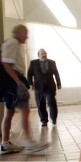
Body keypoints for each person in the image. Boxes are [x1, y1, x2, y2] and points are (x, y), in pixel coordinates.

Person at [0, 24, 48, 154]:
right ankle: (29, 143)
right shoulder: (13, 42)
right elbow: (5, 63)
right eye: (25, 33)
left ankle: (5, 144)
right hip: (13, 81)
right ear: (20, 33)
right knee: (25, 110)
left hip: (12, 81)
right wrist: (18, 82)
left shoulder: (13, 43)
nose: (27, 36)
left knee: (9, 113)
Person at [27, 48, 61, 127]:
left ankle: (53, 119)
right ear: (38, 55)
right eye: (42, 53)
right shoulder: (33, 63)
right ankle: (44, 120)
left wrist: (58, 83)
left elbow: (56, 73)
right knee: (40, 104)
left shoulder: (52, 62)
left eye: (45, 53)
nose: (44, 55)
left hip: (50, 86)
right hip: (38, 87)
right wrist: (30, 84)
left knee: (51, 102)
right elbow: (29, 74)